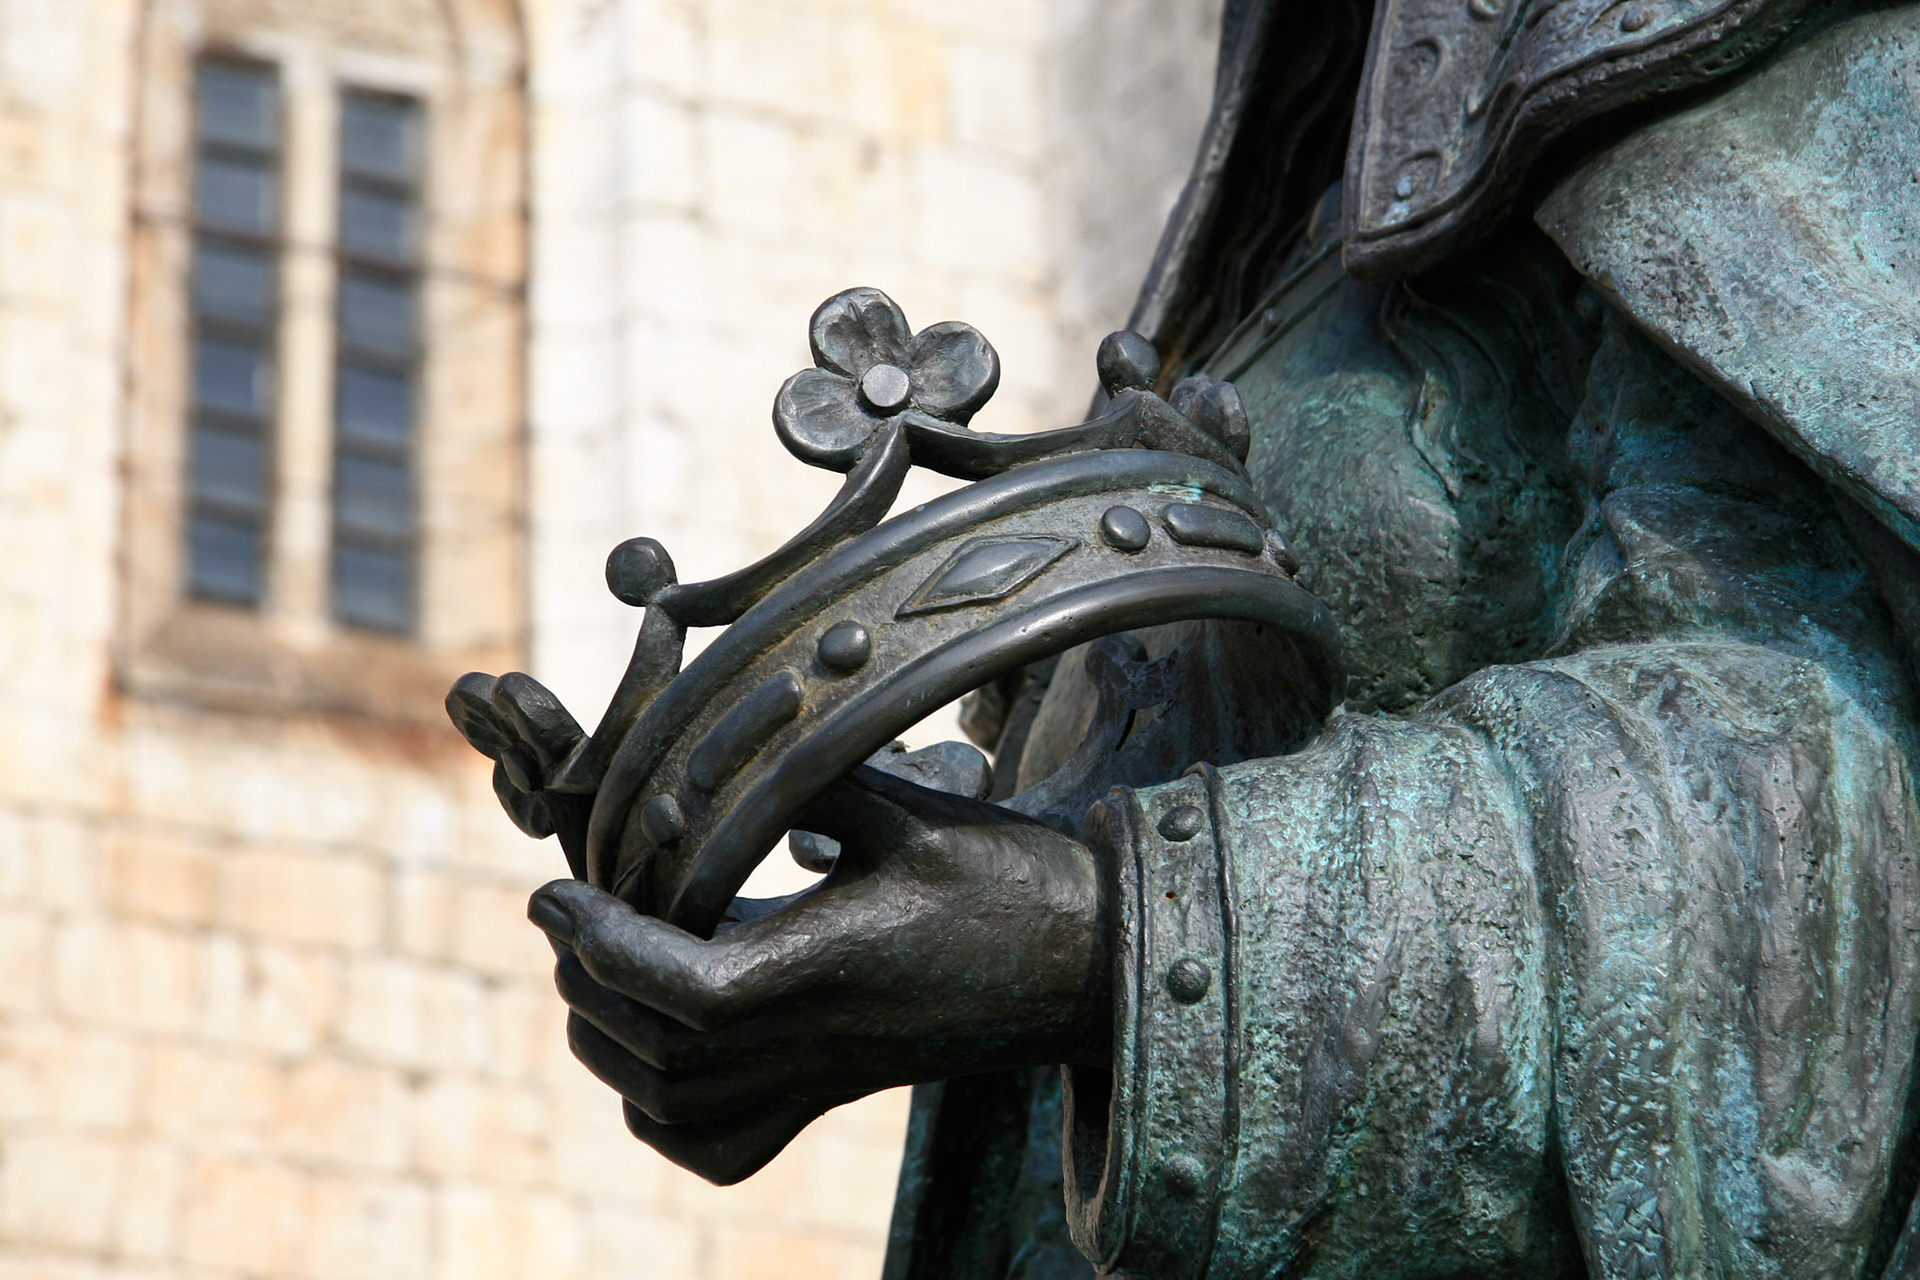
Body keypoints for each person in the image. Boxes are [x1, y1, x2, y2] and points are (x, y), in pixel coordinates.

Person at [515, 0, 1920, 1273]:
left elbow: (1821, 810)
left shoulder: (1792, 104)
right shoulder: (1292, 241)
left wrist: (1101, 937)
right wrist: (861, 924)